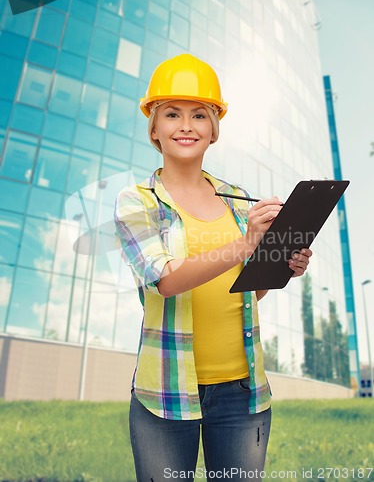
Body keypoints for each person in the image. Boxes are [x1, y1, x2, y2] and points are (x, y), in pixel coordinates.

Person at [114, 54, 312, 481]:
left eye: (199, 115)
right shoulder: (138, 202)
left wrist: (280, 264)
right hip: (165, 395)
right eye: (172, 114)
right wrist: (244, 244)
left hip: (243, 393)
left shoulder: (236, 198)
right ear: (154, 127)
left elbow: (248, 291)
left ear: (214, 128)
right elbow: (165, 280)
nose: (186, 125)